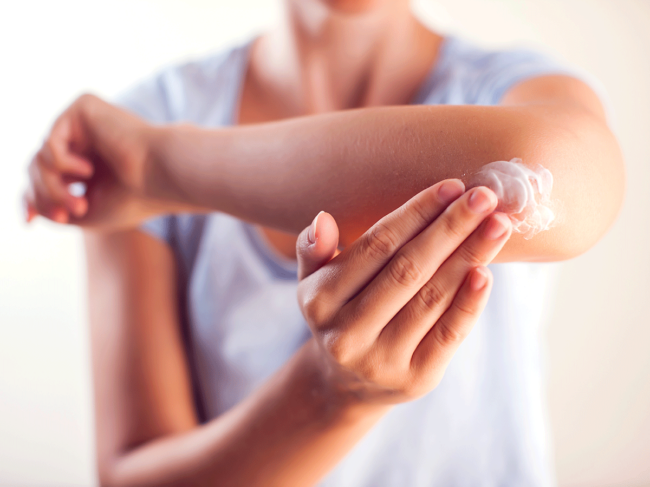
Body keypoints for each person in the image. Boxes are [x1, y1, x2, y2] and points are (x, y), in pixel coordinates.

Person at [24, 0, 624, 485]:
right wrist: (333, 399)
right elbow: (136, 473)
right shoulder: (151, 116)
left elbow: (559, 176)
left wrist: (162, 166)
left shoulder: (510, 85)